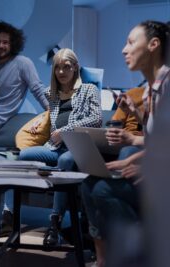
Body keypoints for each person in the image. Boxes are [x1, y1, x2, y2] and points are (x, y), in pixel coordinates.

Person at [0, 48, 102, 243]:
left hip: (77, 149)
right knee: (21, 157)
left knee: (66, 159)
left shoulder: (89, 90)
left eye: (66, 67)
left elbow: (96, 119)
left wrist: (66, 131)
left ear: (75, 68)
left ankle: (55, 223)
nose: (61, 72)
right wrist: (41, 120)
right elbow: (49, 112)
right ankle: (8, 217)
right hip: (53, 147)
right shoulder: (52, 94)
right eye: (58, 68)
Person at [81, 20, 170, 267]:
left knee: (103, 190)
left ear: (153, 45)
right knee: (89, 184)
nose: (124, 49)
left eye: (131, 42)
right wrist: (129, 160)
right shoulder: (152, 90)